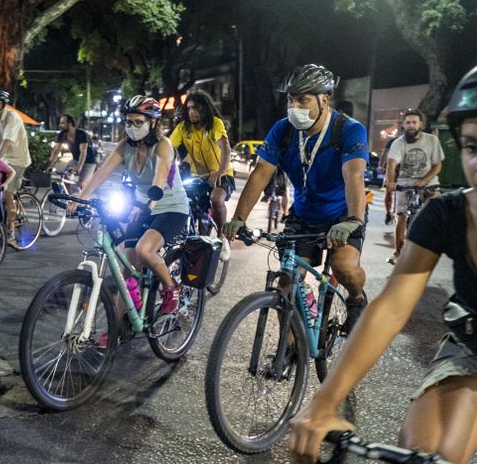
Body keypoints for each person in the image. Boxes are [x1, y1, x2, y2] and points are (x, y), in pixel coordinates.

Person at [289, 56, 477, 464]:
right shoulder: (447, 215)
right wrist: (323, 403)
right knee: (429, 451)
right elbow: (393, 307)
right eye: (471, 146)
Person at [222, 64, 370, 333]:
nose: (294, 106)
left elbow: (354, 176)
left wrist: (354, 220)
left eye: (303, 99)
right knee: (287, 282)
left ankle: (358, 299)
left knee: (343, 267)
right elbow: (260, 175)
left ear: (324, 100)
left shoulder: (348, 130)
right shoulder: (283, 131)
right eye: (291, 99)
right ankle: (290, 353)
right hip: (303, 214)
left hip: (342, 214)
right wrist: (239, 219)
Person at [68, 95, 189, 320]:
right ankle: (121, 324)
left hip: (171, 207)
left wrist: (148, 203)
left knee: (145, 250)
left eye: (138, 122)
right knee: (127, 267)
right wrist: (80, 198)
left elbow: (160, 177)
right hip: (143, 207)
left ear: (152, 123)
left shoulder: (163, 145)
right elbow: (101, 173)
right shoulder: (125, 146)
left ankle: (172, 288)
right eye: (128, 122)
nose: (132, 127)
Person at [169, 90, 235, 240]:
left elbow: (225, 147)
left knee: (216, 199)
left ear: (205, 109)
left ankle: (221, 236)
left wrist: (219, 171)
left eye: (196, 108)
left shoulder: (215, 124)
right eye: (189, 108)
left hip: (222, 174)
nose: (191, 112)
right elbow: (167, 148)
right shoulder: (183, 128)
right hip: (197, 177)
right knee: (179, 201)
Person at [385, 108, 445, 265]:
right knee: (400, 216)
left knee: (437, 212)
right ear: (403, 125)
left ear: (421, 124)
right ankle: (398, 252)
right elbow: (391, 165)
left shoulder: (432, 140)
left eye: (414, 122)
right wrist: (391, 182)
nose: (411, 125)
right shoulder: (398, 143)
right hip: (405, 182)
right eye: (407, 122)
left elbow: (437, 166)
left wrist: (425, 180)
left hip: (429, 181)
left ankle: (432, 248)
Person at [0, 89, 31, 243]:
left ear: (0, 103)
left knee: (8, 194)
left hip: (16, 160)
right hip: (1, 160)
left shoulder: (13, 117)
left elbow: (7, 141)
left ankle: (10, 232)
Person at [46, 114, 97, 189]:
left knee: (82, 183)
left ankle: (85, 199)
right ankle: (69, 200)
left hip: (89, 162)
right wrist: (50, 165)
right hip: (75, 160)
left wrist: (79, 167)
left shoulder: (81, 134)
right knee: (65, 180)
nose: (60, 125)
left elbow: (83, 152)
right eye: (60, 123)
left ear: (69, 124)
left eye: (62, 123)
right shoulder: (62, 135)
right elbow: (56, 150)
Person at [378, 129, 403, 225]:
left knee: (400, 193)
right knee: (389, 191)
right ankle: (388, 213)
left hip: (405, 170)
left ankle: (396, 212)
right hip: (392, 169)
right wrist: (381, 165)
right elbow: (385, 153)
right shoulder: (393, 141)